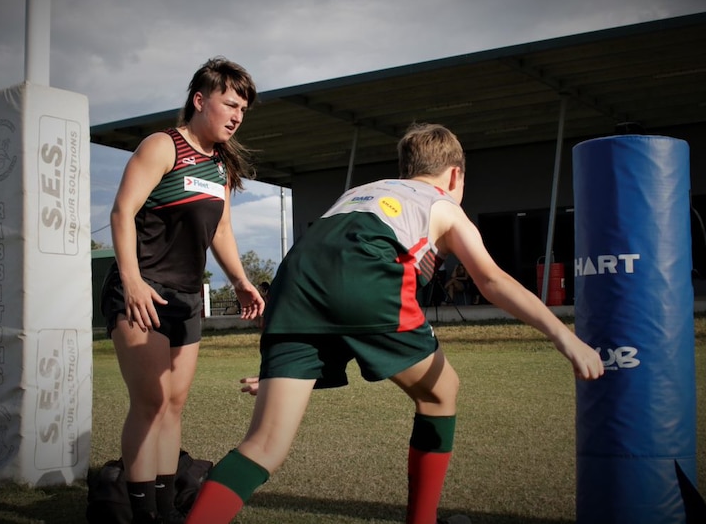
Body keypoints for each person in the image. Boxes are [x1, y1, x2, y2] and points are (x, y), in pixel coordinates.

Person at [184, 123, 605, 524]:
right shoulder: (443, 204)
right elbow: (491, 280)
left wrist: (288, 373)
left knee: (263, 446)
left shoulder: (359, 192)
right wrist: (564, 337)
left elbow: (326, 275)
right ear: (455, 175)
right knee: (443, 394)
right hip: (364, 283)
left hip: (292, 288)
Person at [100, 57, 265, 524]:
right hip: (141, 290)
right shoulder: (163, 146)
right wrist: (130, 280)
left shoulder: (220, 166)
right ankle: (140, 511)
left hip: (187, 298)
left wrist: (241, 281)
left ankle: (167, 506)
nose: (236, 116)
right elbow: (122, 212)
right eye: (229, 104)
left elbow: (222, 232)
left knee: (173, 404)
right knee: (150, 401)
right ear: (199, 99)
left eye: (242, 110)